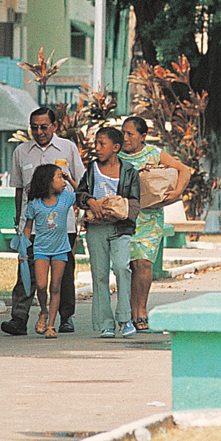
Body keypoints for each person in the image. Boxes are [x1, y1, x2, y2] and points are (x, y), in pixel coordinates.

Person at [2, 107, 84, 336]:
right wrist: (19, 223)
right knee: (27, 272)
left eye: (44, 127)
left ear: (54, 126)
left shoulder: (68, 148)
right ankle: (19, 318)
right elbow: (20, 190)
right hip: (32, 225)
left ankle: (66, 317)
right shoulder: (21, 151)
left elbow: (81, 182)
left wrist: (78, 213)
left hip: (63, 225)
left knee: (64, 274)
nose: (39, 132)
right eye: (34, 127)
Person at [120, 116, 191, 331]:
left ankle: (140, 311)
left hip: (149, 220)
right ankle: (126, 312)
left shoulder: (154, 153)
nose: (125, 138)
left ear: (142, 137)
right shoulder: (115, 154)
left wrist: (177, 192)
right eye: (123, 132)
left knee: (144, 264)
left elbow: (184, 170)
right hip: (123, 219)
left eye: (130, 134)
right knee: (125, 266)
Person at [76, 126, 141, 338]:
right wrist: (91, 202)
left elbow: (135, 202)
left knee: (123, 268)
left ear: (116, 147)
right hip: (96, 229)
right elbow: (80, 194)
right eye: (96, 143)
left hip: (120, 228)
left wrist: (119, 214)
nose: (97, 148)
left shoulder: (129, 171)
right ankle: (106, 323)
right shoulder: (92, 168)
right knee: (100, 274)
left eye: (102, 144)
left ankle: (125, 319)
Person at [23, 164, 76, 339]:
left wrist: (69, 179)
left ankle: (51, 325)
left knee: (55, 286)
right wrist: (23, 249)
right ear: (47, 181)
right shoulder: (35, 204)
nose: (63, 181)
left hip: (61, 249)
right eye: (59, 177)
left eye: (63, 177)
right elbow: (28, 227)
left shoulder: (66, 198)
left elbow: (82, 192)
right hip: (41, 250)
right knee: (41, 285)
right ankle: (43, 312)